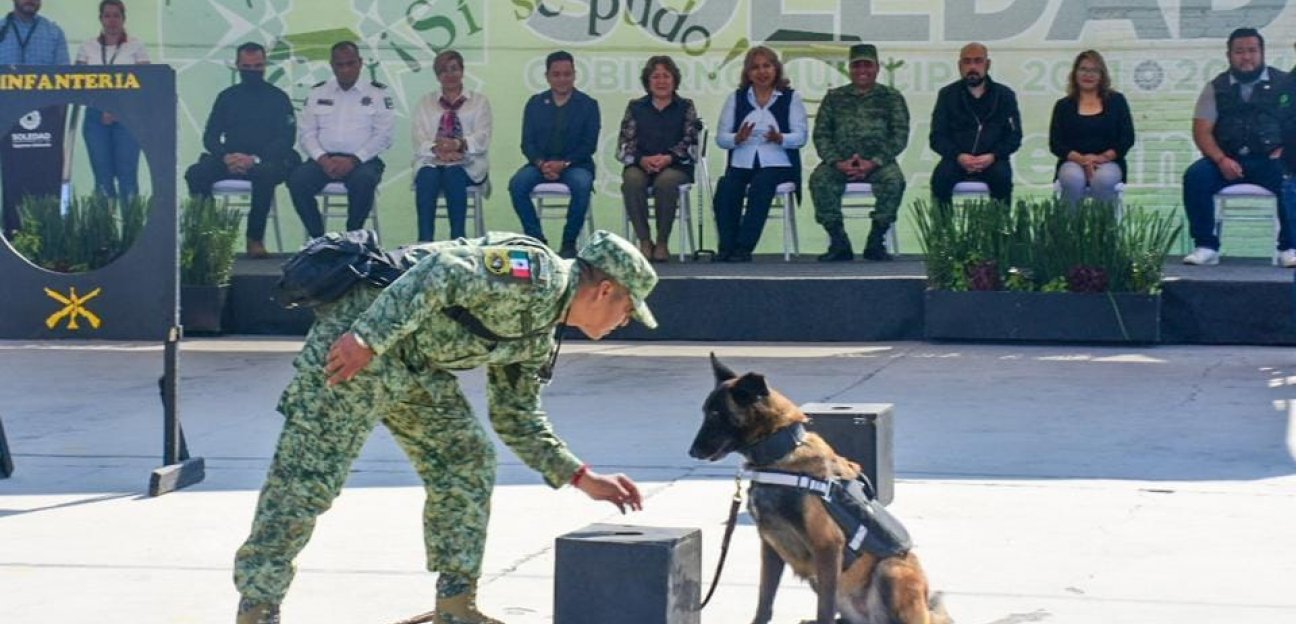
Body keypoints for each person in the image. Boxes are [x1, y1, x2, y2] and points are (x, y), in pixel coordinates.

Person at [233, 229, 655, 624]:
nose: (625, 321)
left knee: (466, 458)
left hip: (413, 367)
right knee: (306, 478)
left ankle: (456, 606)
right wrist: (367, 339)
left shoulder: (540, 335)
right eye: (628, 309)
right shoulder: (533, 274)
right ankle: (258, 608)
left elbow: (516, 417)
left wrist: (581, 477)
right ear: (604, 290)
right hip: (354, 346)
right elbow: (441, 271)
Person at [1182, 28, 1296, 267]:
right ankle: (1206, 246)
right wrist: (1220, 159)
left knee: (1290, 180)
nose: (1246, 57)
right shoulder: (1215, 87)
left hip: (1271, 159)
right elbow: (1201, 131)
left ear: (1262, 53)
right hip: (1226, 159)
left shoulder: (1285, 84)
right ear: (1229, 55)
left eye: (1252, 51)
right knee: (1195, 176)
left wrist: (1286, 150)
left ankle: (1289, 247)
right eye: (1239, 51)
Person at [184, 42, 299, 258]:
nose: (253, 71)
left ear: (265, 65)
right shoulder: (227, 97)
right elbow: (210, 137)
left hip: (265, 160)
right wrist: (226, 157)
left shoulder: (278, 98)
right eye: (247, 67)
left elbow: (287, 138)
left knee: (266, 174)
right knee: (196, 174)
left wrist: (254, 159)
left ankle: (254, 239)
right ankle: (211, 238)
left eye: (258, 66)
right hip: (230, 158)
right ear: (237, 65)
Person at [809, 43, 910, 262]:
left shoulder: (891, 97)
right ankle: (838, 242)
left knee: (894, 181)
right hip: (840, 163)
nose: (862, 70)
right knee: (819, 180)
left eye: (867, 65)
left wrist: (874, 162)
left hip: (879, 163)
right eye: (857, 65)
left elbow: (899, 135)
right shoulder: (834, 97)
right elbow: (821, 135)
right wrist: (836, 162)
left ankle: (876, 240)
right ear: (849, 68)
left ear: (877, 68)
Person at [289, 41, 394, 239]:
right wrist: (322, 159)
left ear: (360, 63)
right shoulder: (318, 92)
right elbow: (306, 133)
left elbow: (384, 136)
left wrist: (354, 160)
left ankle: (351, 239)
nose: (345, 69)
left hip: (363, 161)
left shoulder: (378, 94)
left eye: (350, 63)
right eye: (340, 64)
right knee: (297, 180)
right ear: (332, 65)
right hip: (323, 160)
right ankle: (319, 239)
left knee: (364, 181)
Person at [712, 45, 807, 262]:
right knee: (727, 187)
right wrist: (737, 138)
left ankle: (743, 248)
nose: (762, 72)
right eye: (755, 67)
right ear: (748, 73)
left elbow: (800, 137)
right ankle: (726, 246)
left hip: (778, 164)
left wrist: (780, 138)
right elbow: (721, 138)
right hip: (742, 161)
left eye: (767, 66)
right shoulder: (736, 98)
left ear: (776, 69)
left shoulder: (790, 97)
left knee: (762, 185)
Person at [508, 50, 601, 259]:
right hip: (540, 165)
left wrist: (564, 164)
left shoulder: (588, 105)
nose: (562, 79)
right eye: (556, 74)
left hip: (576, 164)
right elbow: (527, 143)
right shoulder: (535, 103)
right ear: (547, 76)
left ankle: (569, 243)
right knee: (517, 185)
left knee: (582, 184)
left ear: (574, 75)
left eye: (567, 74)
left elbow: (589, 145)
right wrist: (542, 164)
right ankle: (536, 240)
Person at [616, 55, 700, 262]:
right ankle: (645, 241)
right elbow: (625, 142)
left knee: (666, 182)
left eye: (666, 76)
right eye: (655, 77)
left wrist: (669, 158)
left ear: (674, 80)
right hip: (641, 163)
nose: (661, 81)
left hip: (675, 166)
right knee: (632, 181)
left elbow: (690, 140)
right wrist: (642, 159)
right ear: (648, 81)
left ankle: (662, 242)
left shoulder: (686, 106)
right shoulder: (636, 107)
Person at [0, 0, 69, 238]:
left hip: (46, 119)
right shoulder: (1, 29)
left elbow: (65, 77)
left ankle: (48, 237)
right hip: (7, 119)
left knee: (47, 180)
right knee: (12, 180)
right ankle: (12, 236)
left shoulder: (53, 32)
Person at [928, 42, 1022, 207]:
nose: (972, 66)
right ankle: (943, 231)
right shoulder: (947, 95)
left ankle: (998, 231)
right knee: (940, 180)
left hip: (993, 159)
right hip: (956, 159)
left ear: (988, 64)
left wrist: (993, 155)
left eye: (978, 61)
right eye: (967, 61)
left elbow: (1014, 136)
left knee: (1003, 179)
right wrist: (959, 156)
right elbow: (937, 136)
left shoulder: (1005, 95)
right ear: (959, 66)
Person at [412, 49, 492, 242]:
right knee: (426, 176)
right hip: (433, 159)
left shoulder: (479, 102)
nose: (450, 75)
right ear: (437, 76)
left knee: (453, 174)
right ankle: (424, 242)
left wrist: (457, 144)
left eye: (454, 69)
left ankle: (458, 239)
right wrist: (437, 150)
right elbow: (418, 136)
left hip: (468, 163)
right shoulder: (426, 102)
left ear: (462, 71)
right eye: (444, 71)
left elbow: (483, 136)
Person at [75, 0, 148, 201]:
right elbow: (77, 86)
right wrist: (103, 106)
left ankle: (132, 231)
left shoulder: (136, 46)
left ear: (124, 18)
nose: (112, 20)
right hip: (95, 118)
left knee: (128, 178)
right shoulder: (86, 47)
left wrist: (118, 109)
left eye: (116, 15)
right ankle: (103, 231)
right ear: (100, 19)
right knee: (102, 180)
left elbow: (146, 85)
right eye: (107, 15)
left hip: (128, 118)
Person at [1048, 50, 1135, 209]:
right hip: (1072, 161)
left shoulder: (1117, 101)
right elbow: (1056, 143)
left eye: (1094, 70)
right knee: (1072, 178)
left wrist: (1101, 158)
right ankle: (1068, 231)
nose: (1088, 75)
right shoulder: (1063, 106)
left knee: (1103, 179)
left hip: (1109, 161)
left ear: (1102, 75)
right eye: (1083, 69)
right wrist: (1083, 160)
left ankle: (1104, 231)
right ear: (1075, 73)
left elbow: (1127, 138)